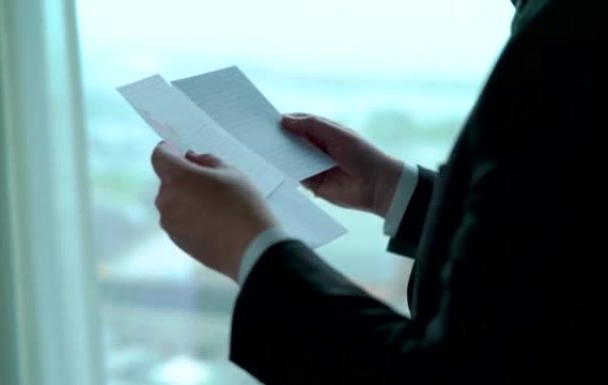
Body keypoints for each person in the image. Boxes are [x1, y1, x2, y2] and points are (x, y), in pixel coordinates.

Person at [150, 0, 607, 383]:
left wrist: (248, 247)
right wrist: (392, 190)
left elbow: (461, 373)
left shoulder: (574, 34)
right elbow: (561, 251)